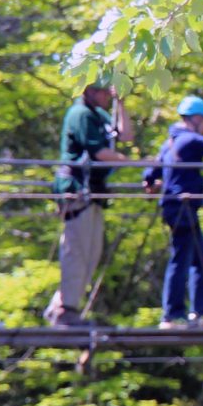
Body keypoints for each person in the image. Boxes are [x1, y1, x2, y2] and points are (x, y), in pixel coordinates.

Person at [45, 79, 134, 327]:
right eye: (103, 92)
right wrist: (135, 163)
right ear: (90, 92)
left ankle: (62, 306)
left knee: (92, 253)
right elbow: (99, 153)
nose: (106, 96)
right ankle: (65, 310)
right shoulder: (81, 114)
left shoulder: (99, 115)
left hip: (93, 191)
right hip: (77, 189)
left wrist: (121, 103)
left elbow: (126, 135)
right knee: (77, 250)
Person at [143, 95, 203, 329]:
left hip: (178, 208)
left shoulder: (170, 142)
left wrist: (152, 182)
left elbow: (151, 171)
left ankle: (200, 312)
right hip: (181, 208)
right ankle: (173, 315)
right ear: (195, 119)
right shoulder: (190, 140)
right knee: (181, 259)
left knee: (200, 259)